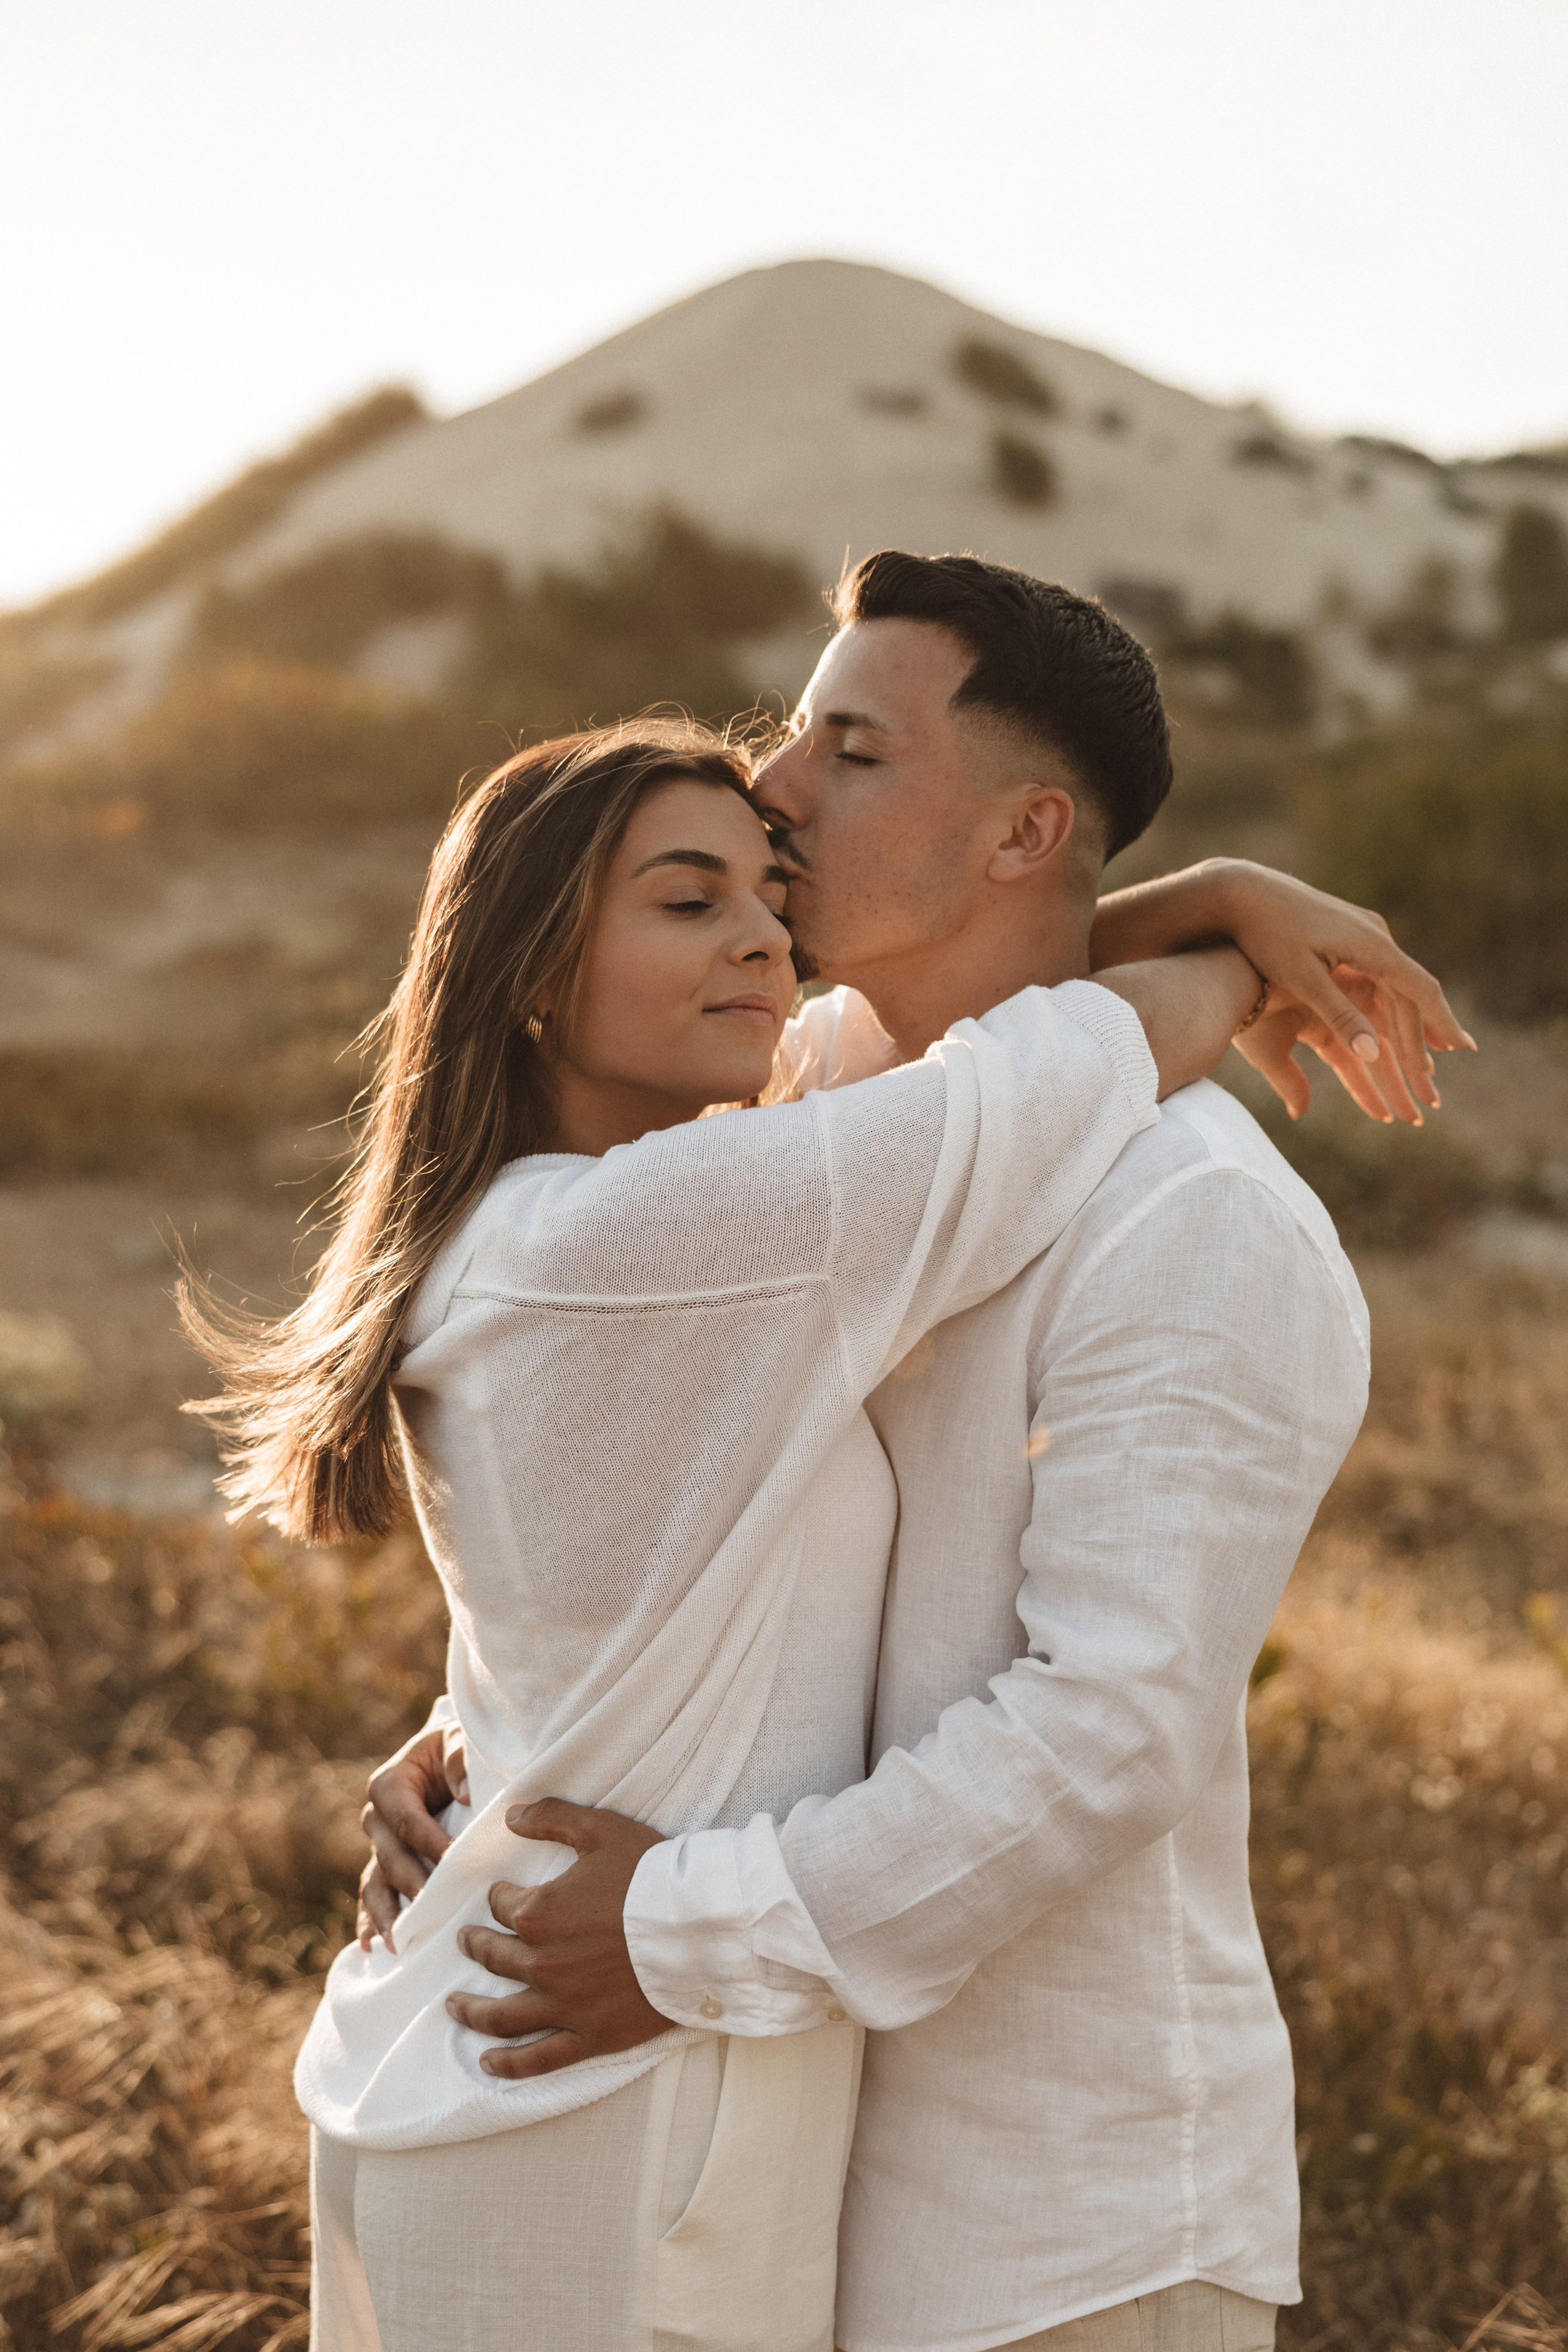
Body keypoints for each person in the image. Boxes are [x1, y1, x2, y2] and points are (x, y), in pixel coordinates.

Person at [363, 555, 1469, 2352]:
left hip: (1054, 2228)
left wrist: (678, 1932)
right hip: (767, 2182)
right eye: (795, 730)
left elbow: (1106, 1727)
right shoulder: (808, 1104)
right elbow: (667, 1484)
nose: (776, 788)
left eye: (850, 749)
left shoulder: (1191, 1223)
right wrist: (499, 1731)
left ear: (1027, 829)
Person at [184, 710, 1330, 2352]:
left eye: (766, 906)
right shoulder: (670, 1236)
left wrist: (481, 1738)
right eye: (685, 900)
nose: (764, 942)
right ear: (529, 975)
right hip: (599, 2114)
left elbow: (949, 1028)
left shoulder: (604, 1216)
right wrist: (1226, 948)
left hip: (545, 2069)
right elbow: (1039, 1068)